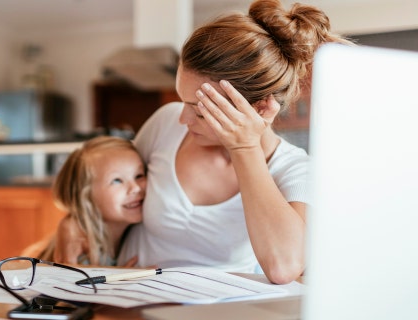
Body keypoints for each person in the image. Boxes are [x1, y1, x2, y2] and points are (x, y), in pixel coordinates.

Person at [107, 0, 352, 284]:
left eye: (200, 110)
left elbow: (284, 267)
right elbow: (108, 185)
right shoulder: (166, 123)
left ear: (260, 109)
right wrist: (72, 223)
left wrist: (244, 147)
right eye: (182, 101)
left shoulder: (297, 170)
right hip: (127, 296)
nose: (183, 118)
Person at [33, 135, 147, 266]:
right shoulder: (83, 251)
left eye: (139, 175)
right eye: (117, 180)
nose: (135, 188)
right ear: (85, 195)